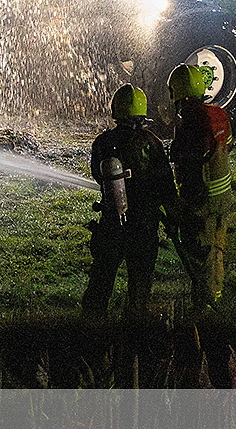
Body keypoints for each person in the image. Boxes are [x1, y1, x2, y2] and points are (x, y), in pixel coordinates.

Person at [83, 84, 178, 315]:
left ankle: (92, 322)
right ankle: (136, 322)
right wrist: (173, 215)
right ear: (142, 112)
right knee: (141, 279)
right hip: (144, 223)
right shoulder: (152, 142)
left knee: (102, 275)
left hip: (112, 221)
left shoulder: (103, 142)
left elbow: (98, 174)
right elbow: (166, 185)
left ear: (115, 109)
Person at [167, 65, 233, 309]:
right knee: (217, 247)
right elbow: (227, 145)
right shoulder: (219, 113)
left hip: (200, 200)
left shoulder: (188, 122)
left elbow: (184, 159)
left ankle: (202, 308)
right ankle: (216, 294)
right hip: (223, 196)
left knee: (199, 253)